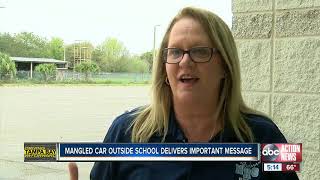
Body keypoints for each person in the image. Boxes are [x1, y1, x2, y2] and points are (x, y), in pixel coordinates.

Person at [69, 7, 299, 180]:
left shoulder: (267, 135)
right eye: (175, 52)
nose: (185, 61)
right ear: (164, 68)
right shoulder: (124, 132)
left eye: (200, 51)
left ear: (225, 67)